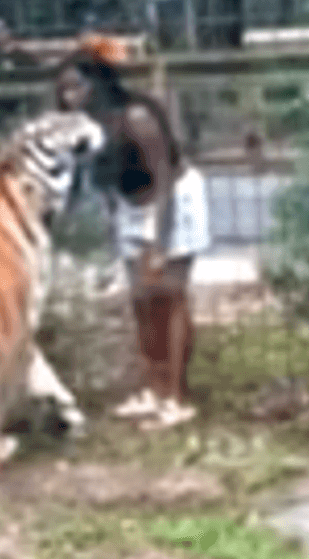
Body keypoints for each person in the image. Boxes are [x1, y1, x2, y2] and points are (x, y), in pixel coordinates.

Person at [54, 33, 211, 429]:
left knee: (168, 297)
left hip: (172, 200)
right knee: (141, 300)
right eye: (63, 90)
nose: (70, 97)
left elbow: (163, 183)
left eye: (76, 87)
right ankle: (152, 388)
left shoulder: (136, 117)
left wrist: (157, 242)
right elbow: (96, 185)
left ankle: (175, 398)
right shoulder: (86, 128)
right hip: (129, 204)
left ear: (99, 84)